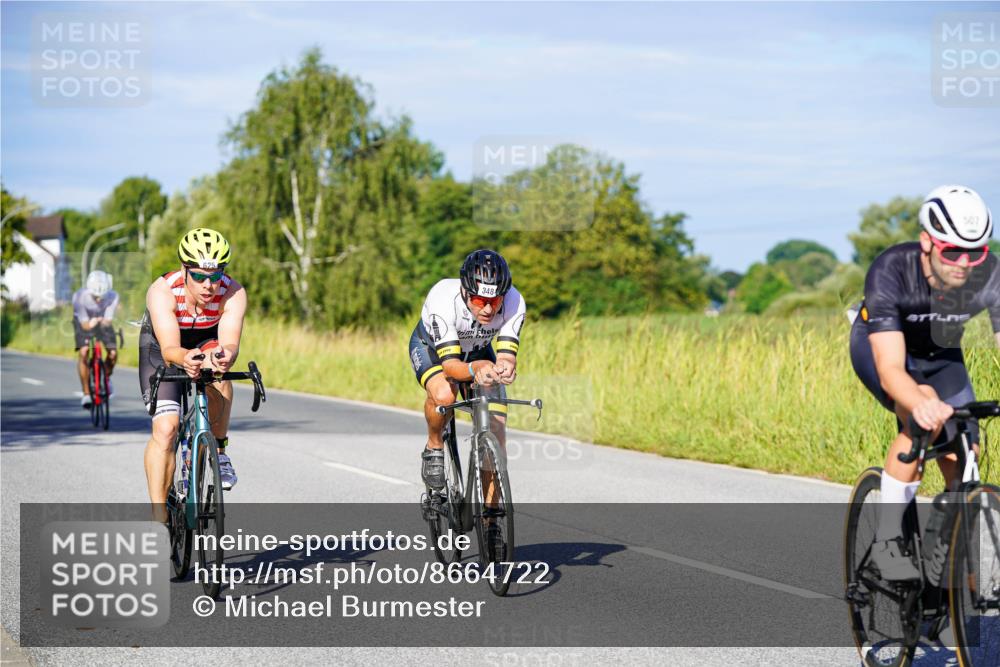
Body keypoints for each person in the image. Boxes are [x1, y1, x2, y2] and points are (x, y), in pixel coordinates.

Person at [850, 185, 999, 580]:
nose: (964, 264)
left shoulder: (990, 274)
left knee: (966, 453)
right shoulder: (892, 269)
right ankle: (886, 541)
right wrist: (920, 403)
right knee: (924, 413)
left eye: (975, 253)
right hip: (883, 347)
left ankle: (947, 569)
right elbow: (890, 369)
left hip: (941, 351)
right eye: (953, 251)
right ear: (927, 242)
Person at [139, 228, 246, 517]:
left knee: (220, 377)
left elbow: (229, 343)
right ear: (184, 269)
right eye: (198, 276)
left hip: (205, 339)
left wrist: (225, 357)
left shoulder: (233, 292)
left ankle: (219, 453)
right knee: (166, 429)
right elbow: (170, 348)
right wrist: (185, 358)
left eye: (215, 275)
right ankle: (159, 516)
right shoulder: (162, 291)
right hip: (163, 346)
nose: (208, 285)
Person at [409, 249, 526, 491]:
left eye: (495, 302)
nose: (488, 310)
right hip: (433, 350)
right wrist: (476, 368)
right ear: (465, 291)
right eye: (480, 301)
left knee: (496, 429)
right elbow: (450, 367)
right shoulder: (443, 299)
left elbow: (506, 355)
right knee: (445, 395)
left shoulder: (514, 301)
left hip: (478, 351)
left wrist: (505, 367)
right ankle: (434, 447)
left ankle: (492, 512)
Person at [73, 270, 119, 408]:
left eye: (102, 297)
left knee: (113, 353)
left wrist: (101, 321)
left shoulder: (113, 296)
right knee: (84, 351)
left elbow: (108, 321)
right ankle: (86, 393)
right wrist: (92, 323)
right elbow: (85, 325)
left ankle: (106, 377)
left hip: (102, 321)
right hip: (84, 322)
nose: (99, 300)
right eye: (95, 297)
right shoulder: (79, 297)